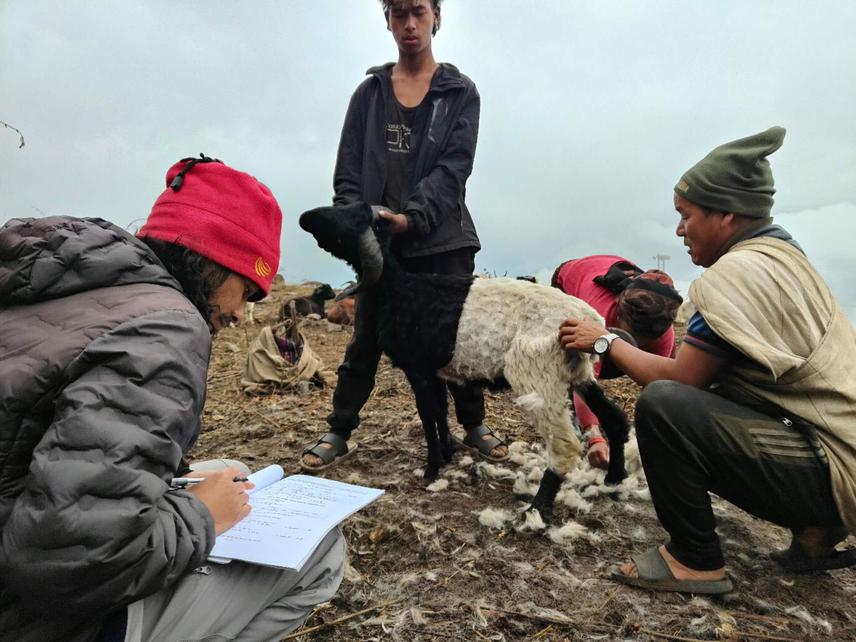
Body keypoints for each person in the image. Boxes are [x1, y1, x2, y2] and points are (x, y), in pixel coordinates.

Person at [0, 156, 345, 641]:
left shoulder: (68, 288)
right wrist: (201, 515)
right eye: (247, 291)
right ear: (217, 263)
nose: (242, 315)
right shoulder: (165, 326)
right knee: (322, 551)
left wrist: (172, 484)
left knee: (227, 470)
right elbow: (65, 559)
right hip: (30, 617)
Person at [559, 126, 856, 595]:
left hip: (838, 466)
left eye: (687, 215)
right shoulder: (783, 259)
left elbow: (681, 380)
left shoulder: (734, 276)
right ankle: (818, 530)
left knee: (665, 405)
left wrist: (604, 342)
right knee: (716, 395)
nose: (679, 230)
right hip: (840, 452)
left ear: (727, 214)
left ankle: (694, 560)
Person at [301, 0, 506, 470]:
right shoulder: (369, 95)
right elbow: (348, 173)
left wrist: (411, 217)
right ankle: (339, 429)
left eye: (418, 11)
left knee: (460, 338)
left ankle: (473, 426)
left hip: (443, 238)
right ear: (387, 18)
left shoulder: (460, 93)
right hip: (381, 245)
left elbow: (454, 169)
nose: (409, 24)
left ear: (437, 14)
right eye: (398, 13)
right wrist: (353, 225)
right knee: (366, 336)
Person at [552, 255, 682, 469]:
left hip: (608, 266)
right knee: (566, 355)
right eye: (629, 337)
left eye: (642, 342)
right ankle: (572, 412)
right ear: (618, 313)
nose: (633, 346)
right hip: (569, 274)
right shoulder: (594, 316)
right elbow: (585, 378)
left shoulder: (663, 334)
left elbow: (660, 385)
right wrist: (594, 437)